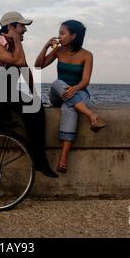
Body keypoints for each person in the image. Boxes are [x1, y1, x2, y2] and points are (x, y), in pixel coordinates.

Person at [0, 11, 58, 178]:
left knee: (35, 109)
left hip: (1, 93)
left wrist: (35, 97)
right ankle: (3, 119)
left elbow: (25, 68)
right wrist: (16, 40)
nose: (25, 30)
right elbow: (19, 63)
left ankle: (40, 160)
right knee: (14, 67)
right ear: (10, 27)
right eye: (21, 26)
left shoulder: (10, 47)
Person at [34, 20, 106, 173]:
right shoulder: (58, 51)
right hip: (58, 93)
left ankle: (63, 158)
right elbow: (38, 65)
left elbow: (85, 81)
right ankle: (90, 114)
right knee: (58, 82)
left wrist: (75, 88)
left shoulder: (87, 55)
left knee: (70, 109)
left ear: (73, 36)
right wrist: (46, 46)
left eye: (62, 33)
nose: (59, 36)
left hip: (79, 92)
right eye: (59, 32)